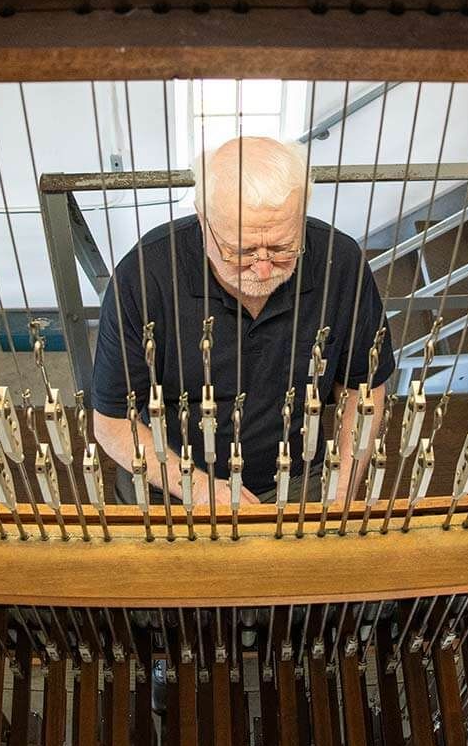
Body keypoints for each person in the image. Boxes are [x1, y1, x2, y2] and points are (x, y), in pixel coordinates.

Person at [89, 137, 394, 504]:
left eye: (283, 248)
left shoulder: (340, 263)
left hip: (296, 478)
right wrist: (199, 489)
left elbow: (363, 387)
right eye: (241, 251)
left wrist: (342, 490)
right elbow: (111, 423)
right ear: (203, 221)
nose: (263, 269)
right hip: (168, 479)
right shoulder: (143, 277)